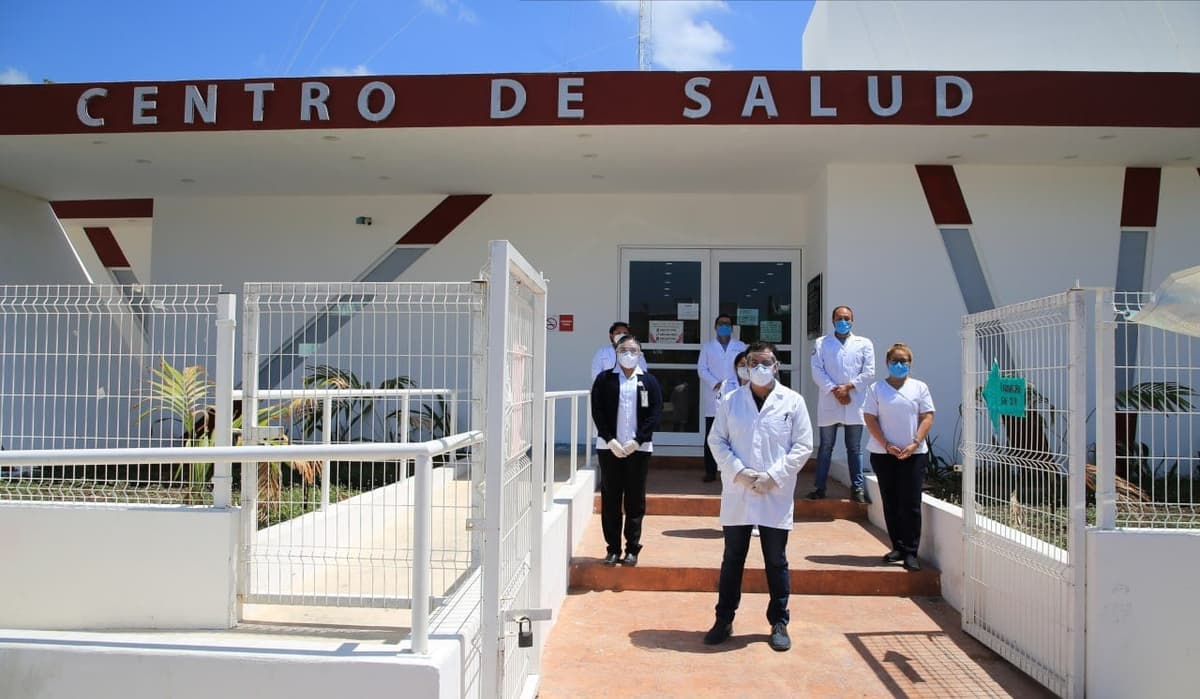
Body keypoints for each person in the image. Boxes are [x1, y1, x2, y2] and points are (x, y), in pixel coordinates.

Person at [703, 342, 813, 652]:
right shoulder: (731, 401)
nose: (760, 368)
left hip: (775, 492)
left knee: (776, 560)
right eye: (754, 363)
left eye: (766, 362)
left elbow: (803, 445)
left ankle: (779, 622)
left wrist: (774, 476)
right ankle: (724, 619)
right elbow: (717, 440)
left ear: (776, 366)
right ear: (745, 367)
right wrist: (739, 472)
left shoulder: (793, 401)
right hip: (739, 491)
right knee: (732, 558)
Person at [590, 335, 664, 567]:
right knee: (611, 498)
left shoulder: (649, 381)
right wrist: (610, 439)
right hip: (609, 447)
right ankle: (612, 549)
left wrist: (638, 441)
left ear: (640, 354)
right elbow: (597, 411)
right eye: (623, 350)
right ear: (616, 352)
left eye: (633, 350)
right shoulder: (604, 379)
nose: (628, 354)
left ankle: (632, 548)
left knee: (634, 499)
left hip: (638, 449)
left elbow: (655, 413)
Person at [862, 343, 934, 572]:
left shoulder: (919, 387)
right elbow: (870, 418)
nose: (900, 365)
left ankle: (911, 552)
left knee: (910, 503)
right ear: (887, 363)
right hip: (884, 454)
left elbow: (927, 416)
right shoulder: (876, 389)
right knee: (891, 501)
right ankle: (898, 547)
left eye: (904, 361)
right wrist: (886, 444)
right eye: (895, 361)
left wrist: (915, 443)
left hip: (913, 454)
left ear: (910, 363)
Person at [809, 305, 876, 503]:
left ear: (852, 320)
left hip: (854, 400)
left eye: (847, 318)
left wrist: (848, 387)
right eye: (839, 318)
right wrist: (835, 390)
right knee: (825, 447)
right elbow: (817, 371)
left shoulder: (864, 343)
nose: (843, 322)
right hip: (830, 399)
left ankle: (857, 489)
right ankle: (819, 488)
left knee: (854, 448)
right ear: (833, 321)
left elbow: (869, 372)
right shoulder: (822, 343)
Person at [698, 314, 747, 482]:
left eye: (727, 324)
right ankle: (710, 471)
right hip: (714, 393)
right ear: (715, 327)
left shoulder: (740, 346)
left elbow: (744, 366)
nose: (724, 326)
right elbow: (702, 369)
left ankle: (734, 469)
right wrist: (715, 383)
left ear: (732, 328)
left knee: (734, 433)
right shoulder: (708, 347)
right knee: (712, 434)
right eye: (721, 324)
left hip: (736, 392)